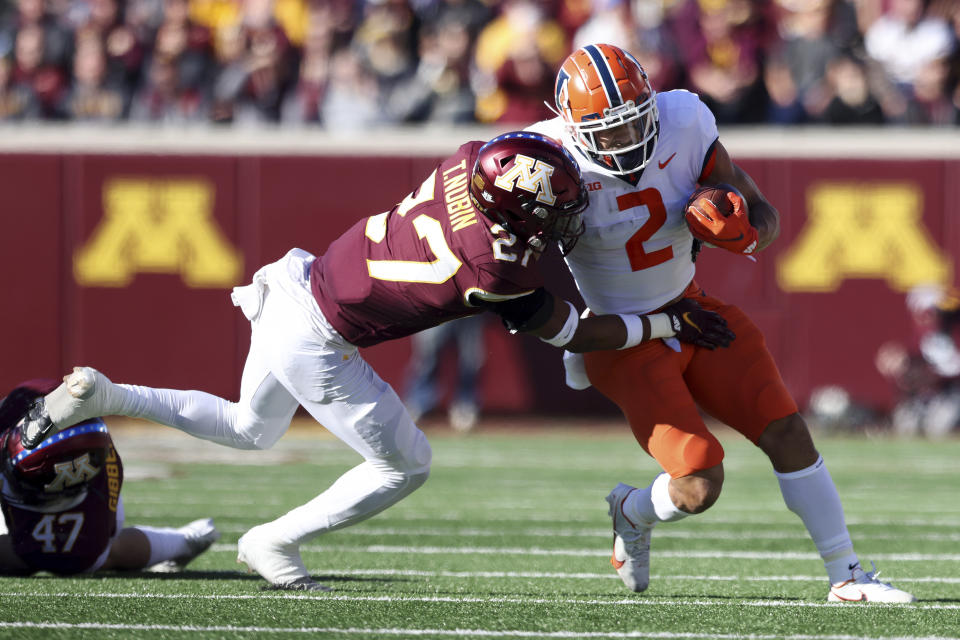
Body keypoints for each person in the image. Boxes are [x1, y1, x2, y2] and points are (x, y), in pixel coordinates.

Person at [18, 131, 733, 592]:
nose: (562, 223)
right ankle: (275, 541)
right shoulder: (493, 267)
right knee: (409, 463)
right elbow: (573, 332)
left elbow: (512, 167)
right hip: (319, 329)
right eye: (549, 213)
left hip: (297, 281)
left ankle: (108, 393)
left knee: (247, 429)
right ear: (510, 213)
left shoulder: (468, 158)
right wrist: (666, 320)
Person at [526, 43, 916, 602]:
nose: (623, 139)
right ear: (572, 127)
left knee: (786, 429)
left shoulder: (684, 121)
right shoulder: (543, 158)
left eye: (634, 122)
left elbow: (762, 213)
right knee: (698, 483)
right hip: (623, 335)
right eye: (606, 131)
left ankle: (847, 575)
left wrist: (745, 234)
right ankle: (632, 512)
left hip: (693, 310)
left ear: (653, 108)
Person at [0, 380, 220, 576]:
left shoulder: (96, 458)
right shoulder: (11, 414)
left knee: (81, 557)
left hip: (82, 482)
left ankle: (185, 541)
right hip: (33, 430)